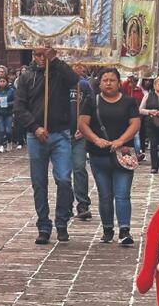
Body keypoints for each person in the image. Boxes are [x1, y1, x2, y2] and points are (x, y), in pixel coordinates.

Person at [13, 47, 79, 244]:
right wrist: (35, 127)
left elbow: (74, 80)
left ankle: (61, 221)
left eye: (44, 54)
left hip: (60, 133)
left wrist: (55, 60)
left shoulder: (59, 71)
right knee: (39, 183)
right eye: (37, 55)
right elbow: (19, 107)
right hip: (37, 135)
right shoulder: (26, 77)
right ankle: (43, 224)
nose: (41, 58)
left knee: (64, 179)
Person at [79, 68, 142, 246]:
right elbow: (83, 124)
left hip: (124, 154)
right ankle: (107, 228)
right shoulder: (92, 101)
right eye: (105, 80)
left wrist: (121, 140)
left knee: (122, 194)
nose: (108, 83)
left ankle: (124, 230)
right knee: (105, 194)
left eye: (112, 80)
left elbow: (135, 123)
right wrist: (96, 139)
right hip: (99, 154)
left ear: (118, 82)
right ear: (99, 83)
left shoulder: (128, 102)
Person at [69, 65, 94, 221]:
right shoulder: (58, 82)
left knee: (79, 167)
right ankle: (65, 204)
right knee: (63, 174)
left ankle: (83, 204)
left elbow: (91, 105)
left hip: (79, 133)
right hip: (61, 133)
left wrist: (84, 127)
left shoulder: (83, 84)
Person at [0, 76, 15, 153]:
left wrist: (8, 104)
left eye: (4, 81)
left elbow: (15, 101)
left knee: (8, 130)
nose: (2, 83)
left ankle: (9, 142)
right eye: (1, 81)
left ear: (7, 82)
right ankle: (1, 145)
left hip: (8, 113)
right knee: (0, 129)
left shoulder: (11, 91)